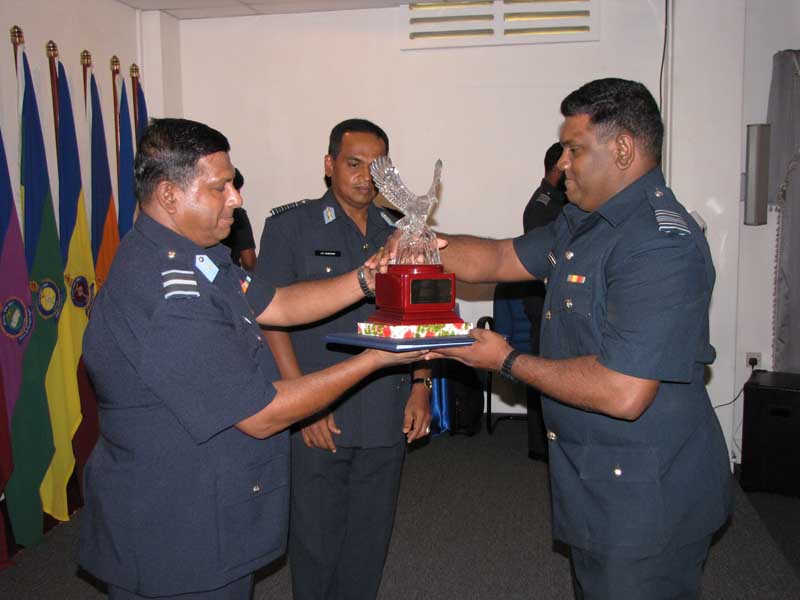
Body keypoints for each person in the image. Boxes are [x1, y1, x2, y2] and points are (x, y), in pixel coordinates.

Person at [376, 78, 733, 599]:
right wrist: (423, 242)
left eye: (574, 149)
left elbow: (624, 391)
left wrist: (506, 360)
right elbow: (500, 257)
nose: (561, 163)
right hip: (597, 476)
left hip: (647, 498)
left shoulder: (659, 245)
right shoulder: (586, 222)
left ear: (622, 149)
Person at [78, 118, 425, 600]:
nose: (237, 198)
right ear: (169, 195)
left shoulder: (199, 259)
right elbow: (261, 414)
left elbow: (279, 303)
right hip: (176, 537)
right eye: (220, 187)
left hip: (209, 508)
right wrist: (375, 359)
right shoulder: (167, 296)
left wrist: (369, 277)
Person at [256, 118, 432, 600]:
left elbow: (421, 315)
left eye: (376, 168)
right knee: (316, 537)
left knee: (370, 537)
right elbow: (270, 319)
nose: (364, 177)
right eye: (354, 164)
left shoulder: (400, 232)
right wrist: (302, 405)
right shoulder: (290, 227)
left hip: (386, 406)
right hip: (321, 407)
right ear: (329, 164)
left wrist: (421, 384)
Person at [521, 141, 568, 461]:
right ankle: (540, 445)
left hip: (560, 304)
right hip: (544, 303)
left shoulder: (569, 203)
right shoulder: (542, 206)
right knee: (540, 371)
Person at [220, 168, 257, 270]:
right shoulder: (238, 214)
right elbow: (249, 262)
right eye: (238, 190)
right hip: (228, 275)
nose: (238, 198)